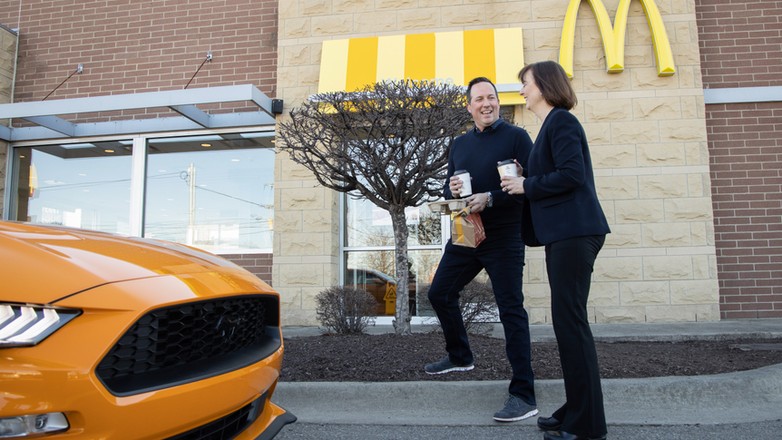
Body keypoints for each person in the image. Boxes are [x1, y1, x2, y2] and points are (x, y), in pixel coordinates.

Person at [501, 60, 610, 440]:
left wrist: (527, 186)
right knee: (568, 326)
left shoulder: (562, 122)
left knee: (572, 325)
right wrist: (525, 173)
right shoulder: (550, 127)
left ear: (544, 86)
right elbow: (555, 171)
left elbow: (572, 174)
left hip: (575, 233)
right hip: (563, 235)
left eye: (525, 84)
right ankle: (575, 410)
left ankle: (587, 426)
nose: (522, 91)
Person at [425, 76, 537, 423]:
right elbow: (452, 184)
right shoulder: (459, 144)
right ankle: (460, 355)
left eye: (491, 97)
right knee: (440, 292)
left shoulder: (517, 137)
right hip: (467, 232)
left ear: (497, 103)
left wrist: (492, 197)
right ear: (469, 106)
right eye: (479, 99)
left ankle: (523, 394)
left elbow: (533, 182)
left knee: (510, 310)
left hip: (504, 235)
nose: (486, 103)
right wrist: (453, 186)